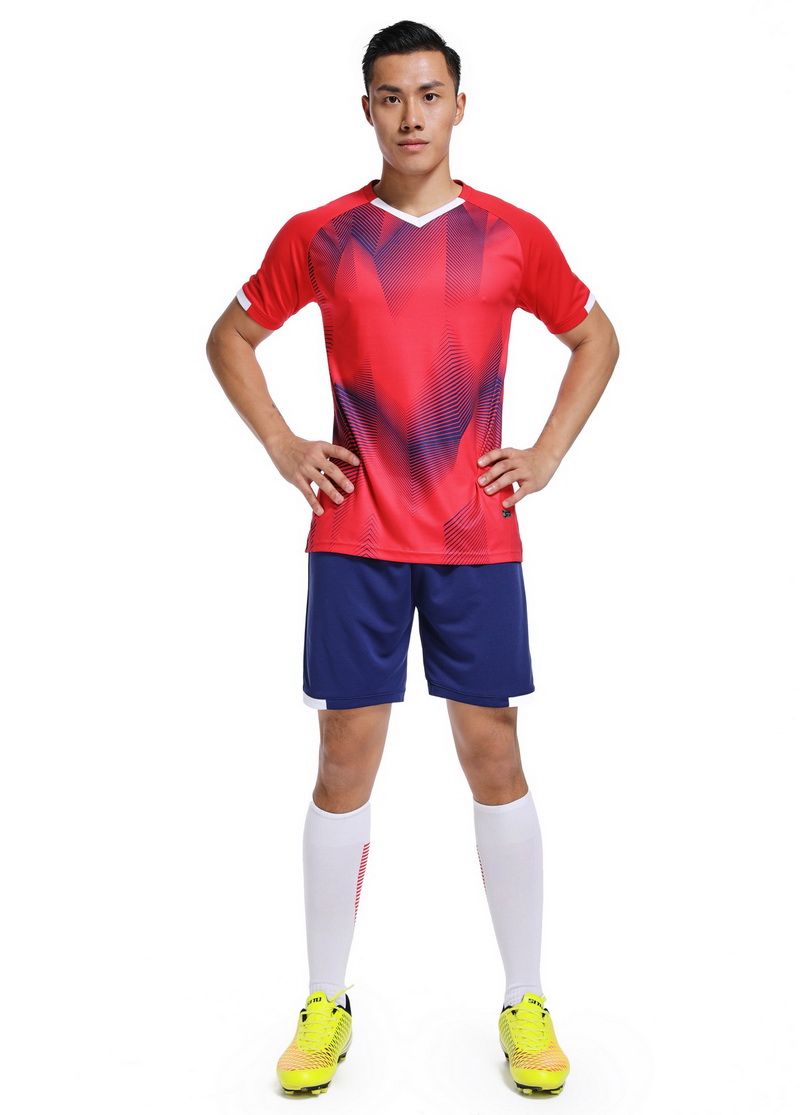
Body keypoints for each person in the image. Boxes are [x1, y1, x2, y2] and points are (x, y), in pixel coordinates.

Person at [206, 19, 618, 1098]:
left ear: (459, 106)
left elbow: (596, 337)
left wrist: (545, 454)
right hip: (355, 536)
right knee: (343, 761)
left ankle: (525, 998)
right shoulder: (323, 235)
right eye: (390, 97)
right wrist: (285, 446)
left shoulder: (512, 235)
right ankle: (323, 1000)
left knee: (494, 753)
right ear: (366, 110)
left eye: (429, 95)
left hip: (476, 536)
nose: (411, 116)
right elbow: (229, 337)